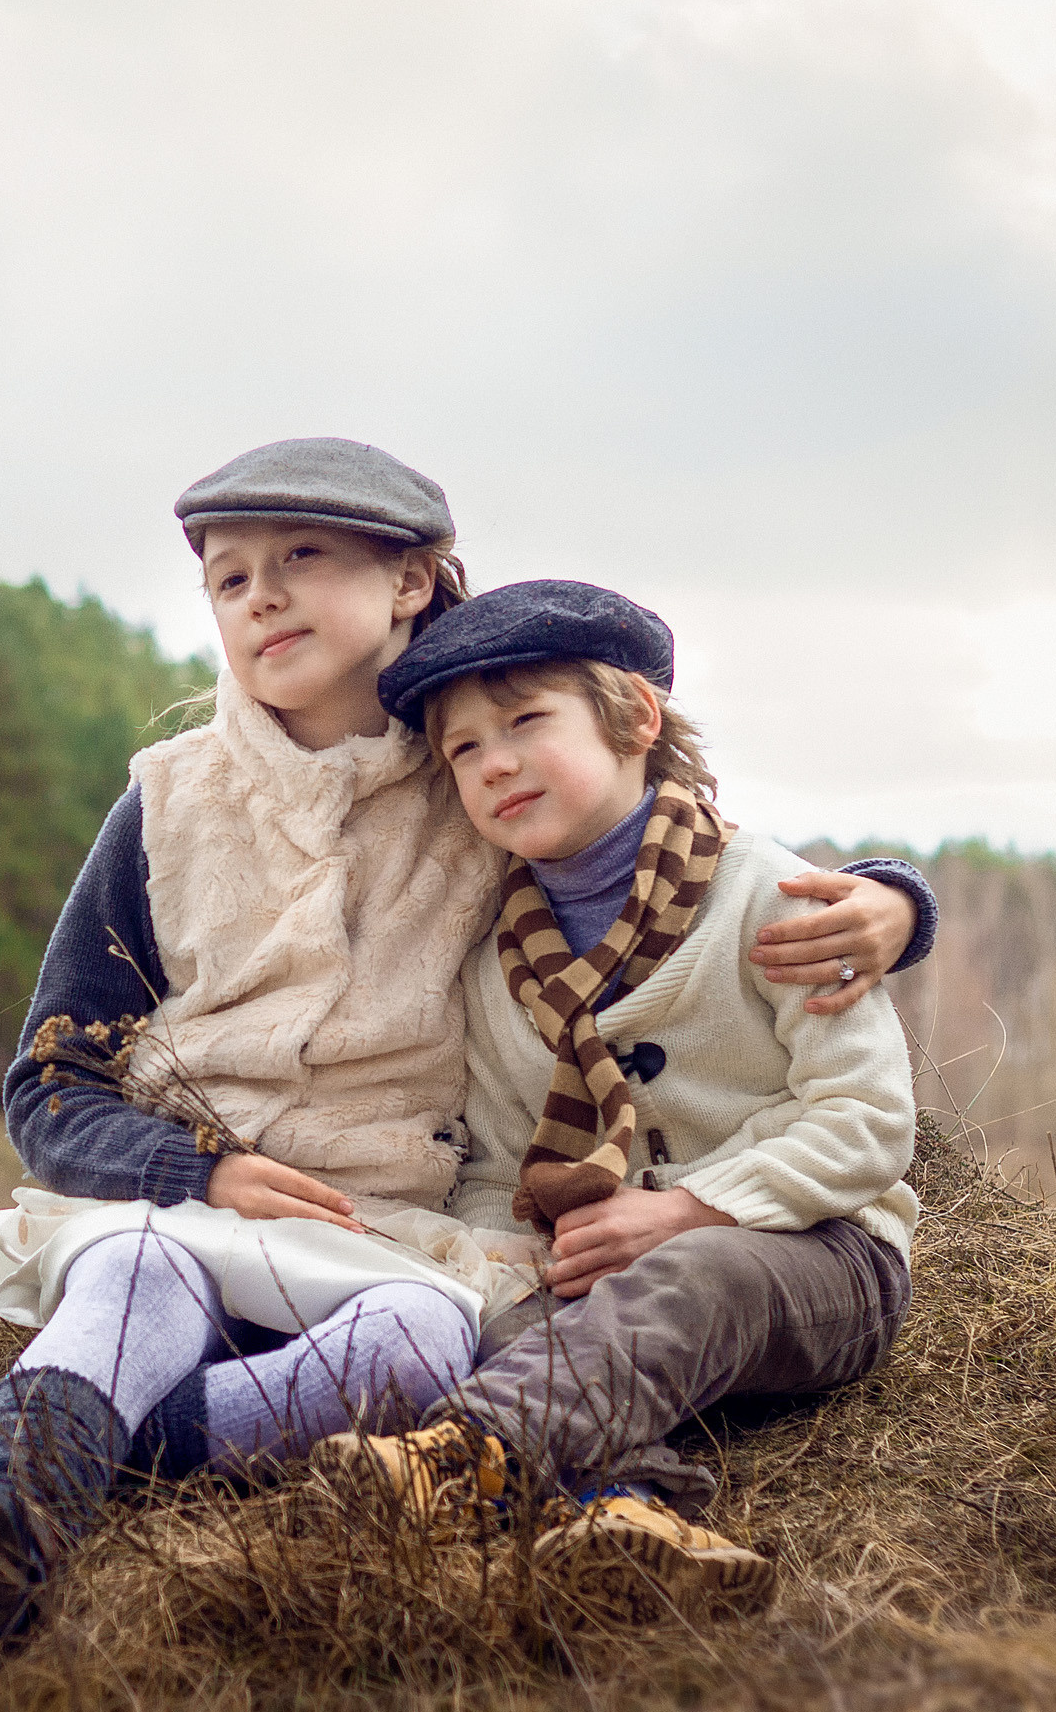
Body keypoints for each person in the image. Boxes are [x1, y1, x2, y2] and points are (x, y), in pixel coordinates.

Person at [0, 442, 934, 1687]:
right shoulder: (171, 805)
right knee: (147, 1271)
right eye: (228, 580)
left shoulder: (470, 794)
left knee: (418, 1348)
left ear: (413, 582)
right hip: (179, 1213)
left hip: (379, 1235)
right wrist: (195, 1170)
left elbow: (662, 842)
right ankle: (2, 1514)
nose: (261, 597)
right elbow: (48, 1075)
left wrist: (892, 904)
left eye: (302, 558)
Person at [315, 580, 921, 1625]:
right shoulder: (496, 966)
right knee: (513, 1329)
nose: (492, 761)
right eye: (461, 750)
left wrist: (688, 1207)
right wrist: (530, 1265)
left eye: (524, 722)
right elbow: (503, 1172)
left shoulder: (774, 900)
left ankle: (459, 1462)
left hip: (814, 1257)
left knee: (691, 1274)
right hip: (614, 1278)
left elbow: (865, 1122)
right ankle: (630, 1513)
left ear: (636, 719)